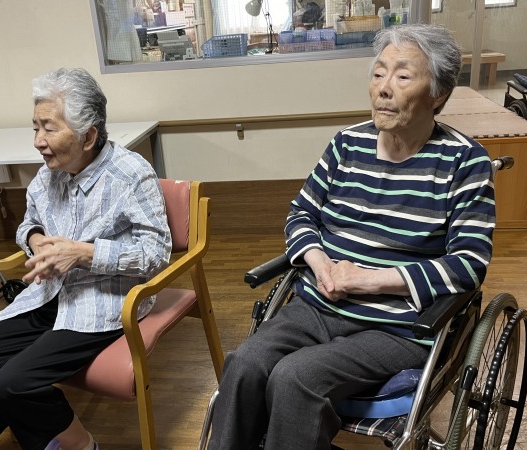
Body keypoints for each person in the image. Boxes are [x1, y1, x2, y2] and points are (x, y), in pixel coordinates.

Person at [208, 23, 496, 450]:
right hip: (318, 304)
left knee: (295, 377)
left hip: (396, 326)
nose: (383, 88)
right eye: (378, 73)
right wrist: (320, 263)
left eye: (402, 76)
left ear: (438, 93)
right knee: (244, 364)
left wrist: (367, 280)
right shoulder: (347, 145)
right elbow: (301, 214)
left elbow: (469, 264)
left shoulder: (465, 162)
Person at [0, 68, 172, 450]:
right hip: (47, 294)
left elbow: (156, 254)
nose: (38, 141)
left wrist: (83, 253)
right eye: (35, 127)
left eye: (49, 128)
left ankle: (81, 444)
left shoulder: (131, 175)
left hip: (102, 301)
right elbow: (28, 224)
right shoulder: (48, 175)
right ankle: (37, 428)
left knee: (12, 383)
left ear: (89, 136)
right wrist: (36, 240)